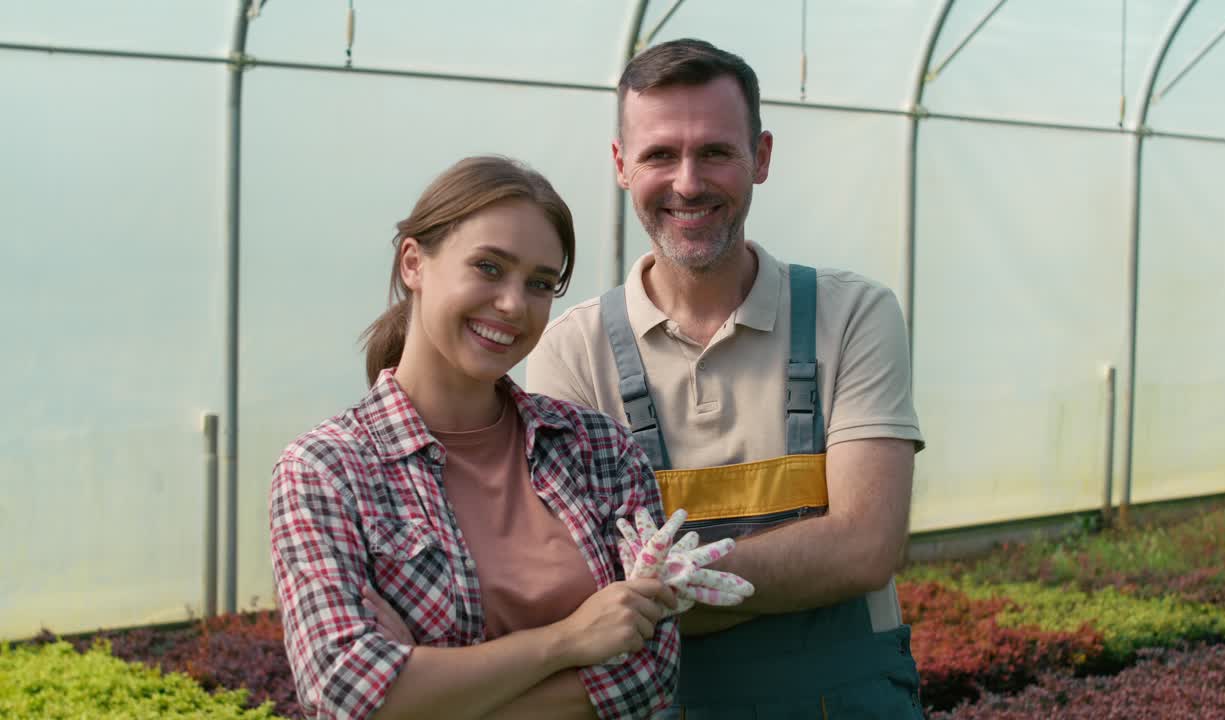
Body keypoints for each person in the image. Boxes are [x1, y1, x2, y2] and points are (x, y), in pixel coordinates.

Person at [526, 39, 928, 718]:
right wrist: (791, 564)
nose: (687, 182)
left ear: (760, 157)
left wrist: (662, 586)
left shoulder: (853, 315)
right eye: (659, 154)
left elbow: (866, 547)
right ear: (622, 166)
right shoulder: (572, 350)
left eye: (714, 151)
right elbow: (577, 590)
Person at [269, 156, 680, 720]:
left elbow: (650, 672)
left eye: (540, 283)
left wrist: (424, 683)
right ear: (413, 262)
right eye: (489, 268)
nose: (514, 304)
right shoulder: (326, 470)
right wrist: (569, 640)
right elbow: (345, 690)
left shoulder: (598, 449)